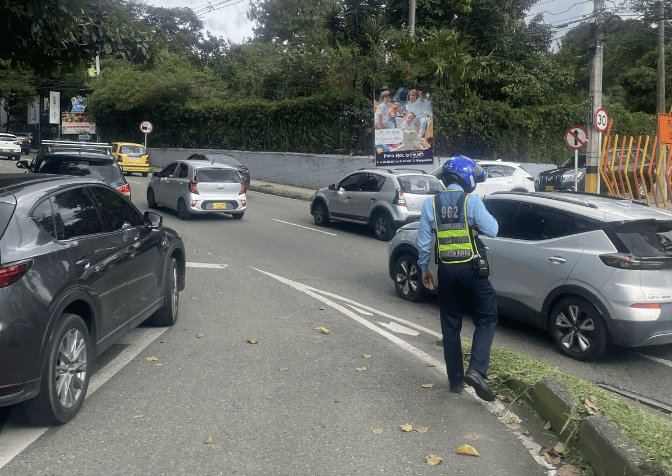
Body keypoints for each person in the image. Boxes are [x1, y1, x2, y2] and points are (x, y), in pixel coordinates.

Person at [416, 155, 499, 401]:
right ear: (466, 177)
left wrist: (424, 269)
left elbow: (423, 243)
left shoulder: (430, 204)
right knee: (487, 316)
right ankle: (476, 370)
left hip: (447, 272)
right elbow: (493, 229)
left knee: (450, 325)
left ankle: (455, 381)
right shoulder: (470, 202)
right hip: (472, 271)